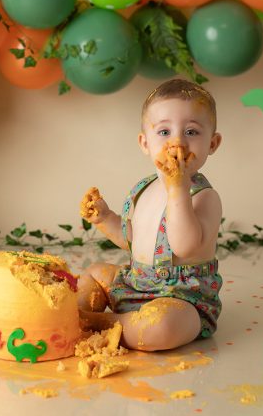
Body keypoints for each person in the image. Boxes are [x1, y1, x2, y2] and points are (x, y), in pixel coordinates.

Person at [78, 78, 223, 351]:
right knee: (95, 273)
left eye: (191, 132)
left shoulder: (205, 197)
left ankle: (98, 323)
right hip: (135, 283)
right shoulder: (147, 188)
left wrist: (178, 188)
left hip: (182, 299)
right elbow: (135, 241)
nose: (177, 142)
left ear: (212, 144)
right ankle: (90, 315)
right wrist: (105, 217)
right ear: (145, 143)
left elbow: (184, 245)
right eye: (165, 132)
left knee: (160, 329)